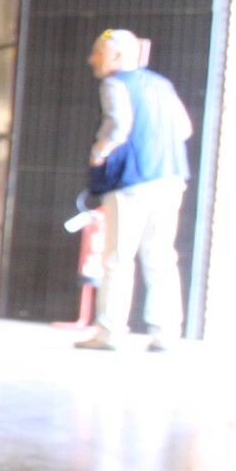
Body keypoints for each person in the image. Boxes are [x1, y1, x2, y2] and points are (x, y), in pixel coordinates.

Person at [77, 28, 193, 352]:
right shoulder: (161, 84)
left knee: (117, 257)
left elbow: (118, 126)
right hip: (170, 178)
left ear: (116, 55)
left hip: (132, 181)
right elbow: (184, 128)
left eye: (98, 52)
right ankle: (166, 333)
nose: (92, 59)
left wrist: (98, 153)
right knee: (161, 256)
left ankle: (109, 332)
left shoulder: (115, 84)